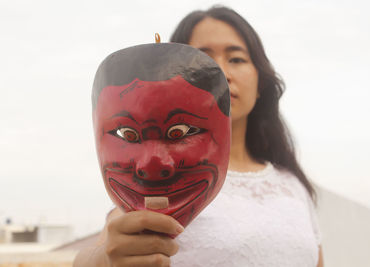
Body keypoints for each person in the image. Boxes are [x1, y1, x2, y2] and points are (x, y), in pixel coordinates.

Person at [74, 6, 323, 267]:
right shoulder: (169, 186)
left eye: (236, 59)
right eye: (203, 58)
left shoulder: (292, 184)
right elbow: (103, 252)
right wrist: (103, 259)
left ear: (260, 81)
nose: (223, 73)